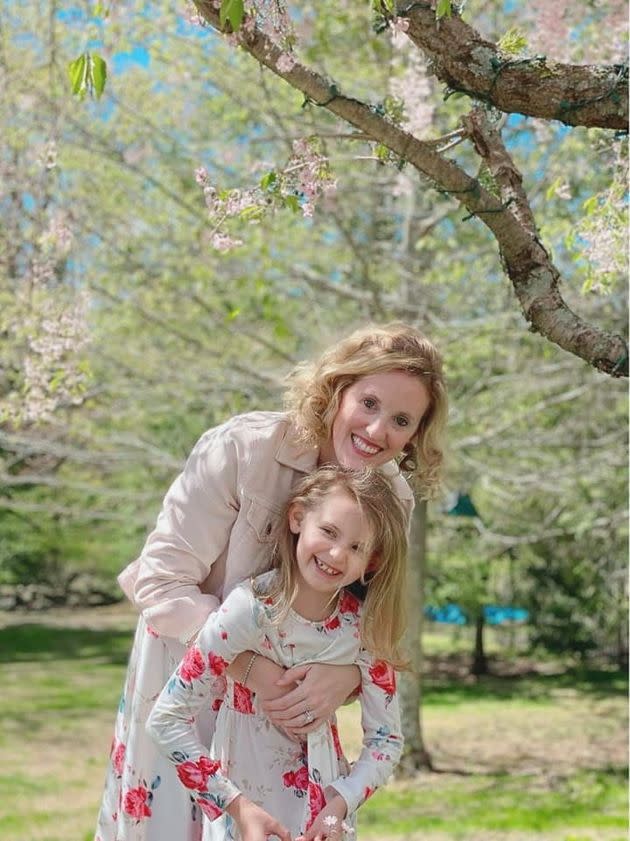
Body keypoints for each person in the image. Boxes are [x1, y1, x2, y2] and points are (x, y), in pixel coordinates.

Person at [95, 322, 447, 841]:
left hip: (279, 720)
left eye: (401, 420)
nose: (377, 431)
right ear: (336, 389)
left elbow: (365, 618)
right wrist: (249, 667)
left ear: (416, 433)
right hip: (187, 676)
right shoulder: (242, 447)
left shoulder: (392, 499)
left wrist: (348, 677)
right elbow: (162, 583)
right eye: (368, 403)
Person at [147, 466, 408, 841]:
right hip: (245, 814)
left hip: (322, 820)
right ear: (298, 517)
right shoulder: (247, 611)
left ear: (372, 561)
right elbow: (166, 720)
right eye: (329, 532)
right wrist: (236, 807)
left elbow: (387, 740)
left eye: (356, 546)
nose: (337, 554)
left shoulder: (364, 630)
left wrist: (340, 804)